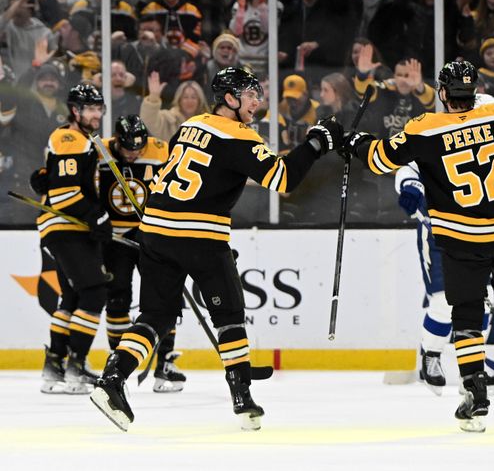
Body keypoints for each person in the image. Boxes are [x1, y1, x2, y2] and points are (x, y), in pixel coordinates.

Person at [90, 67, 343, 432]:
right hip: (200, 237)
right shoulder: (239, 135)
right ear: (229, 98)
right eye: (249, 94)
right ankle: (242, 396)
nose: (257, 101)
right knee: (229, 317)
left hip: (155, 231)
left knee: (155, 316)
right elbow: (284, 178)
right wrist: (317, 142)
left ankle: (112, 379)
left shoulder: (191, 125)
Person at [343, 61, 494, 432]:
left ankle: (474, 392)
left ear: (442, 93)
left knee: (467, 315)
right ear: (473, 90)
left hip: (461, 239)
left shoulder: (424, 129)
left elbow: (379, 159)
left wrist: (353, 142)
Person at [98, 114, 185, 393]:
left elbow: (177, 187)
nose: (133, 154)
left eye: (138, 148)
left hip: (152, 234)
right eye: (127, 150)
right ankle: (118, 360)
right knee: (117, 297)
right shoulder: (100, 150)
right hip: (115, 237)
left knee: (165, 298)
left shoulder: (160, 149)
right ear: (117, 142)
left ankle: (165, 363)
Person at [36, 84, 113, 394]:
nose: (96, 114)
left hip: (66, 227)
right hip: (66, 227)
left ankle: (54, 365)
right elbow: (66, 193)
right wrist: (98, 215)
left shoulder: (82, 139)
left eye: (99, 108)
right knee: (94, 293)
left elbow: (55, 180)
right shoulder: (70, 138)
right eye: (90, 108)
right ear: (76, 111)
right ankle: (76, 367)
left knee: (73, 298)